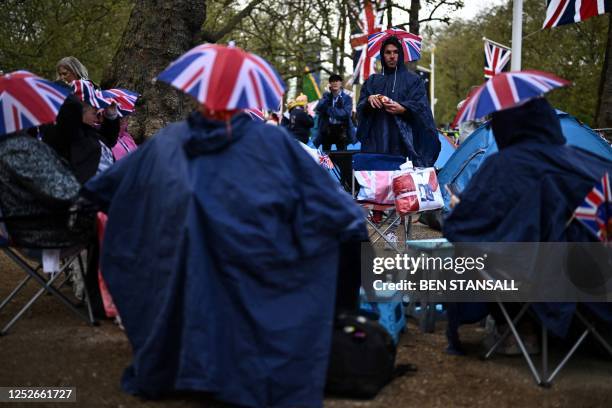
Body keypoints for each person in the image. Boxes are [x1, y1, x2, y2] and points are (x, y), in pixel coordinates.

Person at [81, 56, 367, 407]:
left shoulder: (168, 142)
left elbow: (103, 190)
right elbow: (339, 212)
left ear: (199, 95)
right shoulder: (272, 143)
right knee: (343, 239)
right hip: (259, 280)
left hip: (183, 282)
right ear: (244, 97)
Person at [443, 97, 612, 354]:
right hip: (597, 273)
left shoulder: (505, 164)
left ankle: (518, 329)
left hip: (540, 275)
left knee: (475, 253)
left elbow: (462, 227)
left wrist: (458, 206)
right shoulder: (585, 161)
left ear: (506, 126)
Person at [356, 36, 440, 167]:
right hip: (376, 142)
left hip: (404, 143)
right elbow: (360, 109)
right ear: (382, 55)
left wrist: (404, 108)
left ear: (401, 55)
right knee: (378, 182)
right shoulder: (372, 81)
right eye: (388, 52)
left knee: (401, 184)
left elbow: (422, 108)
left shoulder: (413, 80)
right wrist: (369, 100)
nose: (392, 56)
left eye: (396, 52)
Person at [314, 74, 355, 151]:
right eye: (332, 81)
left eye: (337, 81)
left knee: (342, 155)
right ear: (330, 84)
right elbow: (319, 108)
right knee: (326, 155)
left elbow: (345, 114)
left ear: (340, 83)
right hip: (327, 130)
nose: (335, 83)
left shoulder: (347, 98)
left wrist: (328, 110)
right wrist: (327, 95)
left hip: (341, 130)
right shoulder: (326, 96)